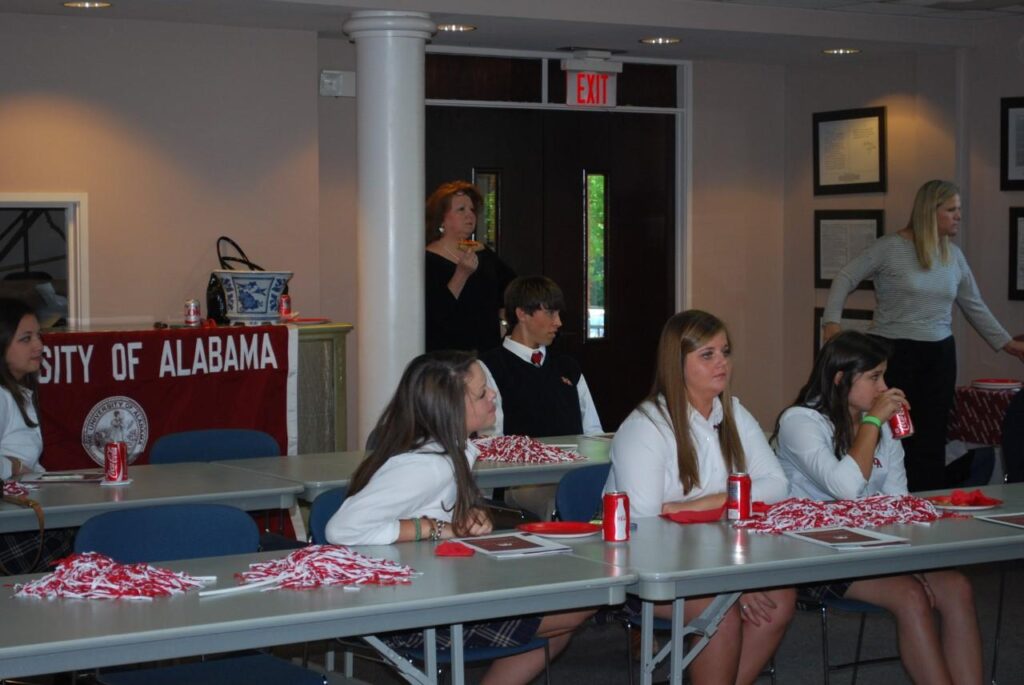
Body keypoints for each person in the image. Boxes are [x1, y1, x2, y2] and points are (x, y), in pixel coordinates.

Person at [325, 350, 592, 684]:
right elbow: (341, 528)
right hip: (416, 611)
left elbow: (431, 511)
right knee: (574, 605)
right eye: (481, 393)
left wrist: (463, 520)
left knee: (571, 610)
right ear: (450, 408)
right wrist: (437, 528)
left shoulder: (454, 450)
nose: (493, 394)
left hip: (441, 590)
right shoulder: (428, 465)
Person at [774, 331, 982, 685]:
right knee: (911, 595)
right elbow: (846, 490)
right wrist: (872, 424)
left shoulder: (879, 424)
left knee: (957, 586)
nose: (884, 387)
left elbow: (897, 502)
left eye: (884, 376)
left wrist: (911, 562)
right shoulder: (801, 421)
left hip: (874, 546)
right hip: (814, 551)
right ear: (840, 378)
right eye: (874, 377)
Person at [605, 310, 793, 685]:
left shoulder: (734, 413)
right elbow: (644, 525)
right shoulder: (647, 425)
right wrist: (730, 585)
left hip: (720, 561)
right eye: (707, 355)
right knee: (718, 612)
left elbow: (777, 485)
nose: (722, 362)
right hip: (647, 570)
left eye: (725, 351)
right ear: (677, 364)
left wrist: (701, 505)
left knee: (781, 598)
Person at [822, 179, 1024, 492]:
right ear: (931, 212)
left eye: (959, 210)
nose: (958, 216)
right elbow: (846, 276)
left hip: (939, 354)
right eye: (951, 210)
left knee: (931, 437)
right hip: (894, 352)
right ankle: (886, 495)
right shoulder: (890, 247)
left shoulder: (953, 256)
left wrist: (1008, 344)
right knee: (895, 431)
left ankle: (926, 503)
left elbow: (974, 306)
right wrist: (831, 324)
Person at [0, 298, 75, 575]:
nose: (39, 346)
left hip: (21, 518)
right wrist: (15, 466)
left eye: (38, 336)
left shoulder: (17, 392)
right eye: (26, 339)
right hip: (11, 532)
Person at [424, 181, 516, 354]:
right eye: (461, 210)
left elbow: (512, 288)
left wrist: (504, 322)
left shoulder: (483, 252)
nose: (470, 215)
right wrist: (461, 274)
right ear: (441, 217)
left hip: (488, 352)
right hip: (448, 355)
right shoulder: (428, 259)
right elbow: (436, 312)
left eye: (472, 210)